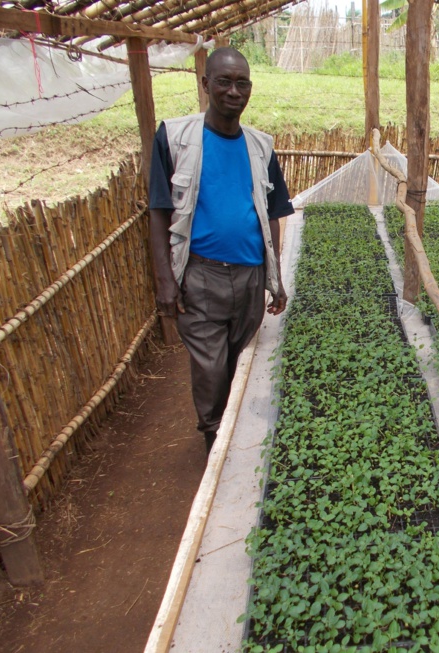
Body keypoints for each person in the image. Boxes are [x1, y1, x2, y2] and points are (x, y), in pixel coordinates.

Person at [148, 47, 293, 454]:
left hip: (249, 274)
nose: (234, 91)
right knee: (210, 366)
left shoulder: (260, 146)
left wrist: (274, 277)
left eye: (242, 83)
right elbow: (159, 211)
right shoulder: (176, 138)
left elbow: (273, 214)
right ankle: (214, 437)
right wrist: (165, 282)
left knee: (238, 358)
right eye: (225, 81)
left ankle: (232, 433)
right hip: (201, 275)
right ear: (206, 83)